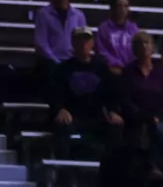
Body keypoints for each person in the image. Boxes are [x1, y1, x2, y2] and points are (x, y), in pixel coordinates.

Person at [47, 28, 119, 157]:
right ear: (73, 43)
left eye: (86, 40)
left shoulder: (101, 67)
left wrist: (112, 111)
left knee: (115, 128)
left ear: (92, 43)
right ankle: (64, 171)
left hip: (96, 116)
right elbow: (54, 93)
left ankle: (112, 172)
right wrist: (60, 109)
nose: (83, 44)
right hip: (73, 116)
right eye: (79, 40)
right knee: (60, 128)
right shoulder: (63, 69)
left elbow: (112, 92)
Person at [96, 0, 140, 73]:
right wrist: (116, 64)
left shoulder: (133, 28)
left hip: (130, 70)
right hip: (110, 70)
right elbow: (102, 51)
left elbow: (137, 49)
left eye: (125, 6)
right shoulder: (104, 28)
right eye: (119, 6)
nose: (122, 9)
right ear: (113, 7)